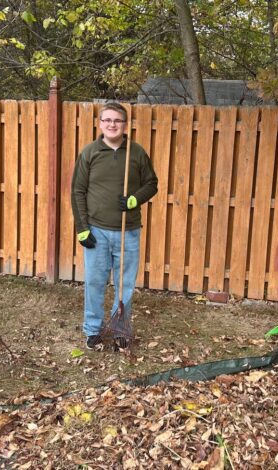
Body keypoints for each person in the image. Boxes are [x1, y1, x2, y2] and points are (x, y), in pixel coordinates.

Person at [71, 102, 158, 351]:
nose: (112, 124)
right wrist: (82, 228)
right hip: (96, 230)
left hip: (127, 230)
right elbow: (78, 190)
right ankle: (93, 330)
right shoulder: (90, 153)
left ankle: (120, 329)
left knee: (125, 284)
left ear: (125, 124)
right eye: (107, 120)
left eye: (117, 121)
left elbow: (152, 184)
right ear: (100, 124)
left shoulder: (137, 153)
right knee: (95, 282)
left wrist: (134, 199)